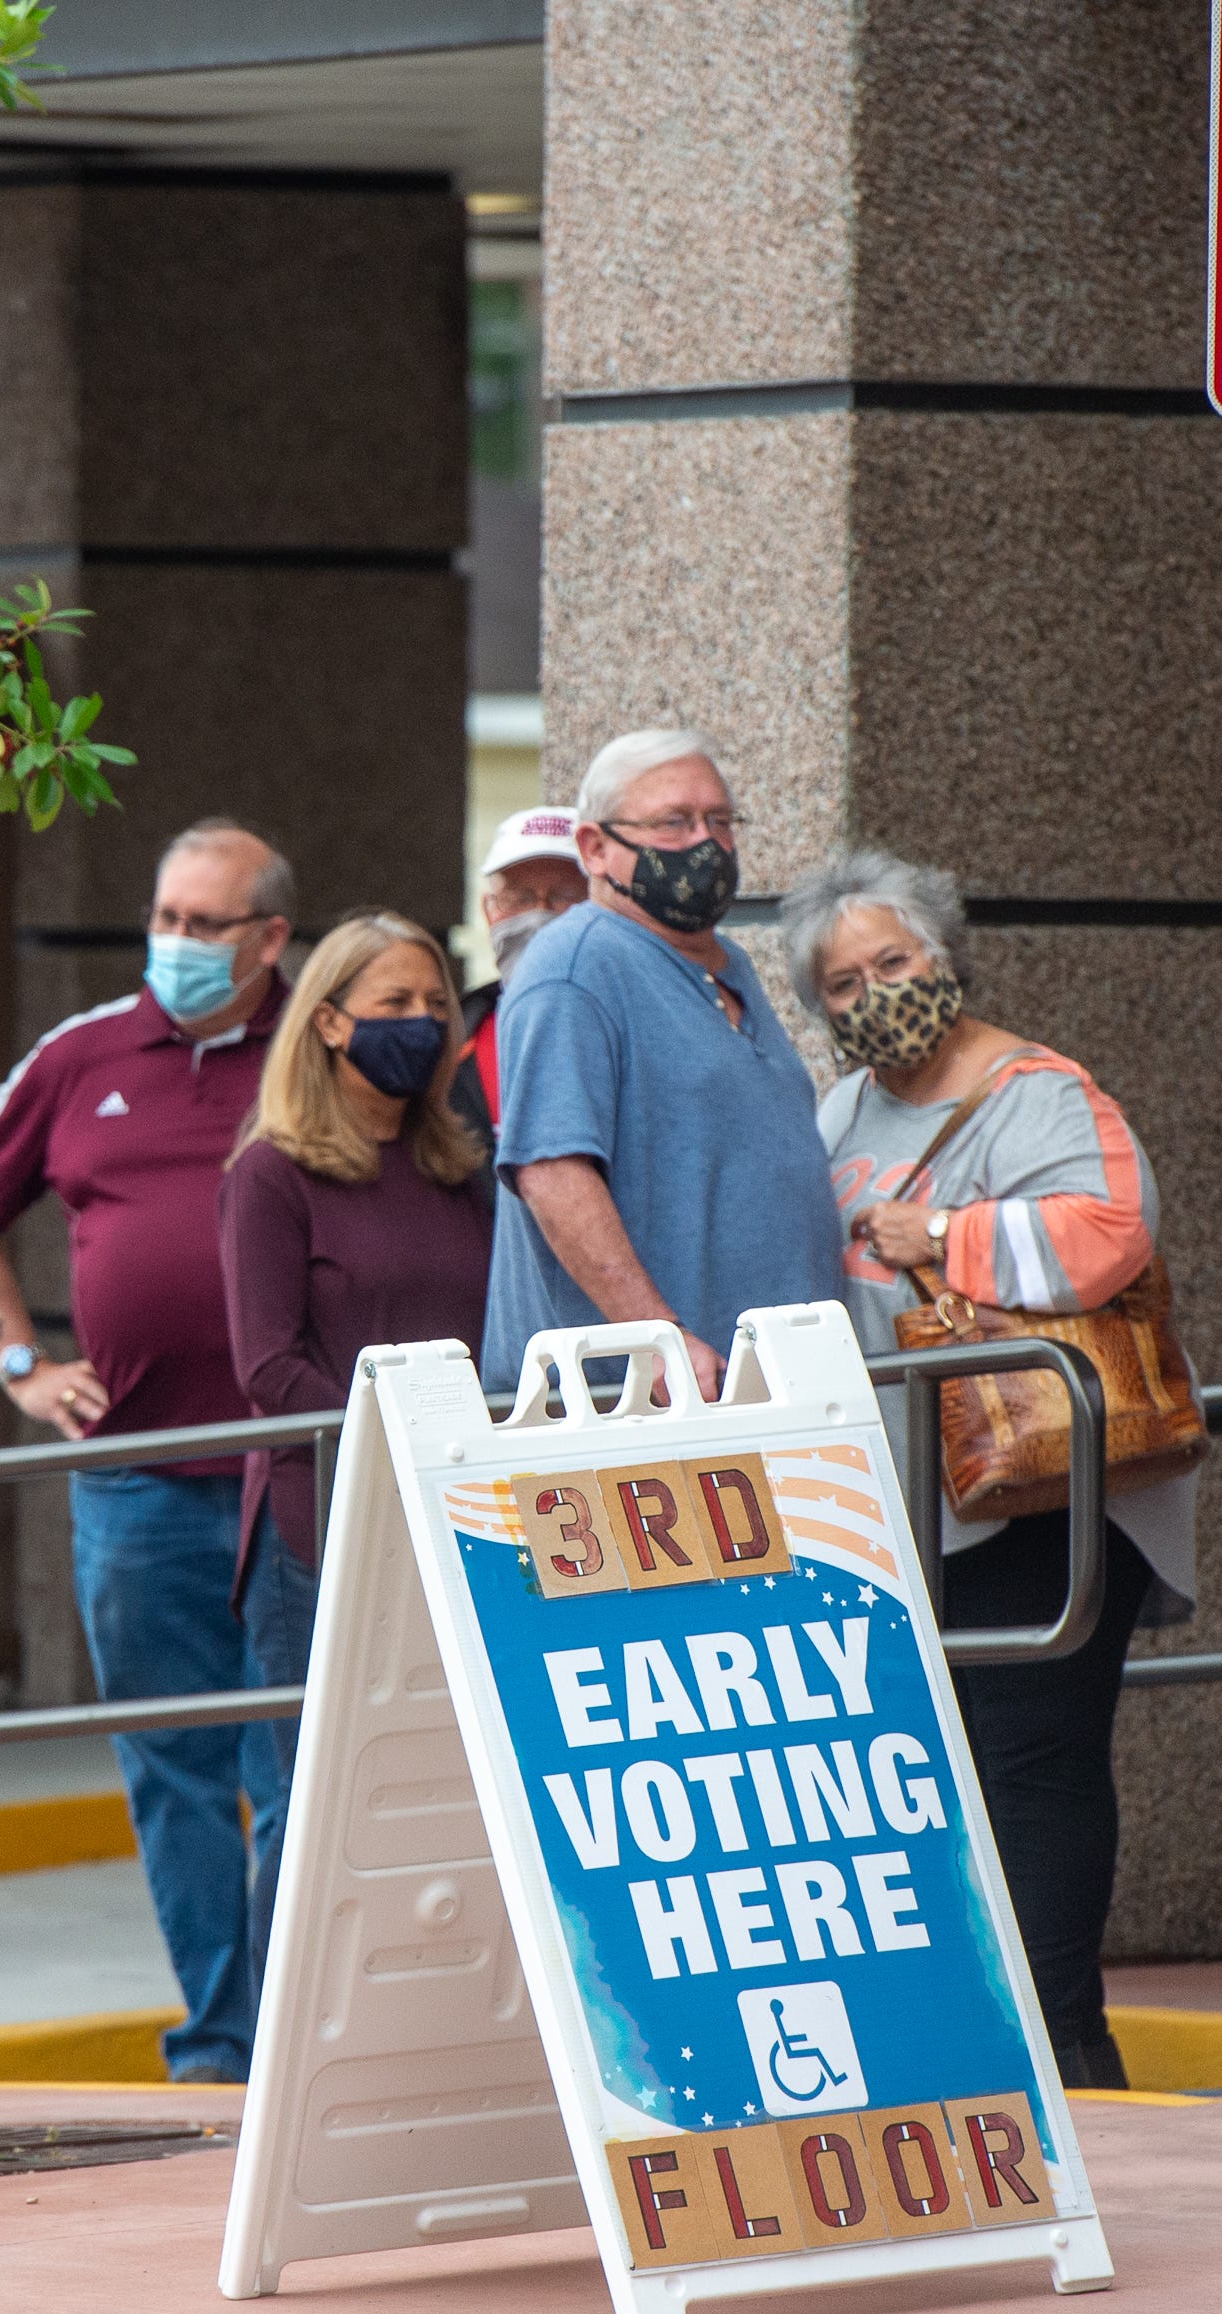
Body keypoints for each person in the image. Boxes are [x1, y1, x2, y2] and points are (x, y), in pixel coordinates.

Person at [787, 850, 1195, 2093]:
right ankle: (991, 2039)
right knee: (944, 1769)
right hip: (912, 1498)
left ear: (946, 955)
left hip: (1047, 1491)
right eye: (845, 982)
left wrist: (947, 1236)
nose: (875, 995)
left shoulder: (1041, 1093)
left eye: (895, 963)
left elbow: (1115, 1234)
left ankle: (1066, 2047)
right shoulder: (841, 1110)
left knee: (1035, 1761)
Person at [0, 819, 296, 2082]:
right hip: (136, 1484)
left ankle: (300, 2033)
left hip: (292, 1478)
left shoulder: (322, 1051)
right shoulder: (81, 1055)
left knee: (300, 1768)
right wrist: (22, 1366)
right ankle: (219, 2048)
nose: (176, 944)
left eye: (205, 924)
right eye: (166, 918)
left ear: (271, 939)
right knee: (175, 1775)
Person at [218, 911, 492, 1973]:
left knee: (437, 1803)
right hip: (319, 1532)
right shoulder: (273, 1175)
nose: (419, 1022)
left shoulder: (462, 1169)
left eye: (435, 1004)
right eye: (393, 1004)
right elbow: (267, 1368)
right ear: (328, 1022)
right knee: (317, 1807)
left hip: (455, 1520)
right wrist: (400, 1435)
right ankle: (265, 2060)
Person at [484, 729, 840, 1398]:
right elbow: (553, 1171)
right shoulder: (574, 966)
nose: (705, 844)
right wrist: (656, 1336)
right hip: (642, 1405)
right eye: (675, 823)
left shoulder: (728, 964)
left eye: (721, 821)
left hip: (767, 1394)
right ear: (595, 848)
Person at [451, 805, 589, 1145]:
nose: (539, 915)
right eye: (519, 898)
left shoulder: (641, 1028)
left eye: (565, 896)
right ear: (489, 911)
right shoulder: (449, 1044)